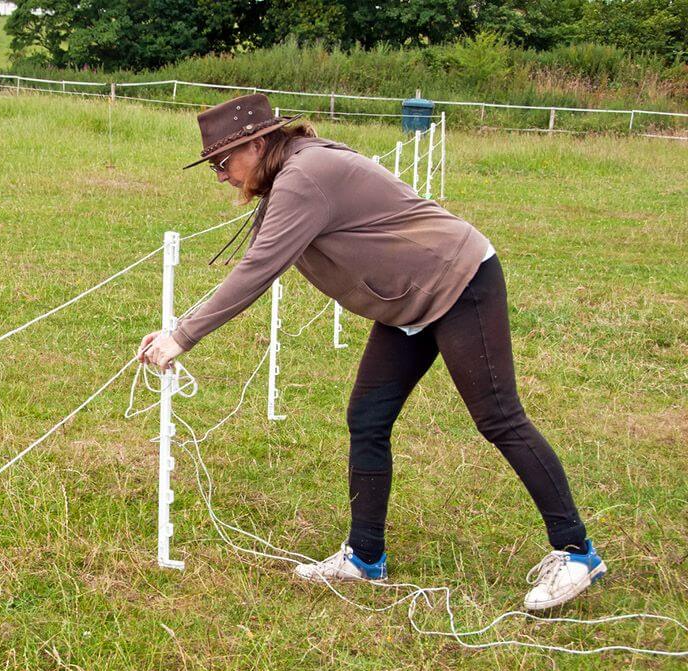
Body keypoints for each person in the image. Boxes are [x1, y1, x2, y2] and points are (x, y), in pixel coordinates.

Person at [137, 94, 606, 610]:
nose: (221, 176)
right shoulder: (290, 175)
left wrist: (181, 336)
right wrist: (180, 327)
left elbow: (257, 270)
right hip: (409, 302)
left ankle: (577, 552)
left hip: (457, 281)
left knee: (498, 417)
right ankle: (365, 557)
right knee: (367, 416)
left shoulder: (304, 177)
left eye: (223, 163)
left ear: (256, 143)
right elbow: (256, 258)